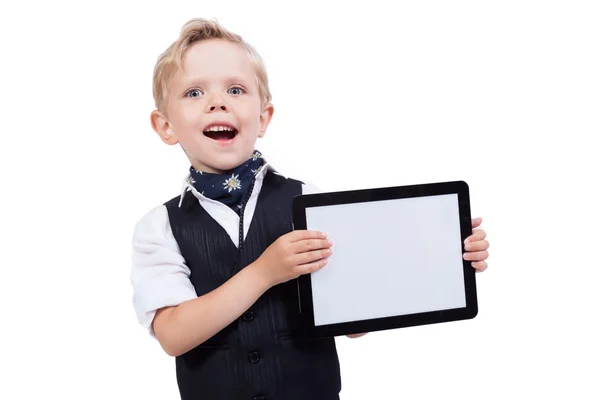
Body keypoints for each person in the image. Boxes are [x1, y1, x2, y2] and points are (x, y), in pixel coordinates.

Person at [130, 18, 490, 400]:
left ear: (263, 117)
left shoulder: (308, 201)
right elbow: (173, 335)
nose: (217, 101)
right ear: (165, 126)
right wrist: (265, 272)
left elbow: (354, 320)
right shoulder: (160, 227)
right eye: (194, 92)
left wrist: (444, 256)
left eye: (236, 89)